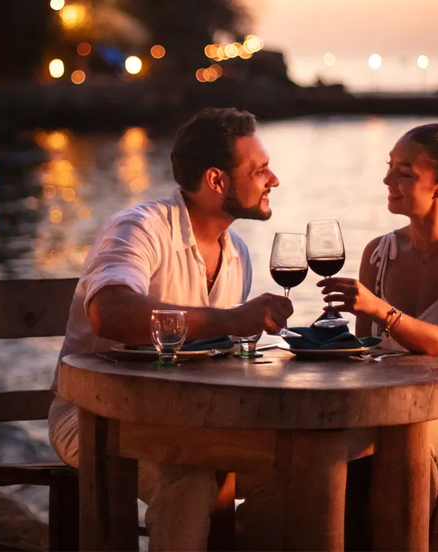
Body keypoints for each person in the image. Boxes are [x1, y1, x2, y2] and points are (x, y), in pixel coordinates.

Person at [48, 107, 293, 550]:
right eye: (260, 170)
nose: (273, 179)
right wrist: (230, 320)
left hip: (189, 417)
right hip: (96, 414)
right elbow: (111, 311)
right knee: (190, 477)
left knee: (287, 472)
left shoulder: (237, 252)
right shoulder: (140, 227)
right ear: (216, 180)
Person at [318, 122, 438, 505]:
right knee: (317, 442)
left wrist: (378, 308)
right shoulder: (379, 253)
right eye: (390, 166)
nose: (387, 179)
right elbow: (363, 353)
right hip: (392, 408)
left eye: (404, 173)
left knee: (408, 443)